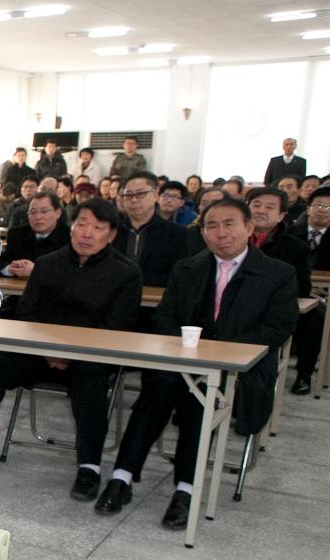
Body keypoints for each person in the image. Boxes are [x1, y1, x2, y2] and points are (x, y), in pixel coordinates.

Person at [93, 198, 299, 528]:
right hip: (183, 361)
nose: (220, 233)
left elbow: (279, 326)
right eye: (212, 226)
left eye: (229, 224)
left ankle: (185, 489)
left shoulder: (277, 273)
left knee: (198, 402)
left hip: (238, 369)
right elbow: (164, 316)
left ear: (248, 227)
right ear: (202, 234)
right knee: (155, 390)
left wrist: (220, 353)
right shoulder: (187, 268)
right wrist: (184, 346)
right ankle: (122, 477)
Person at [0, 200, 141, 501]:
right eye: (81, 224)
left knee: (92, 383)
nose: (87, 233)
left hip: (89, 357)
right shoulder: (50, 263)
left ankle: (89, 467)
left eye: (98, 228)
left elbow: (117, 328)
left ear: (112, 235)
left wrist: (69, 354)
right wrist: (46, 351)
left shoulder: (125, 273)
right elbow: (26, 315)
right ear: (72, 226)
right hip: (39, 353)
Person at [247, 187, 317, 395]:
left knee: (315, 316)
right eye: (256, 205)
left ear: (281, 215)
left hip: (271, 309)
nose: (260, 211)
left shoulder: (295, 247)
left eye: (269, 207)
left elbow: (303, 287)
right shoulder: (229, 240)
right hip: (234, 307)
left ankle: (303, 374)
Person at [116, 171, 197, 284]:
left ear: (156, 195)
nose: (133, 200)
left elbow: (179, 275)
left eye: (140, 194)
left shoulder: (178, 234)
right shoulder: (112, 230)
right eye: (128, 195)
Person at [0, 191, 70, 280]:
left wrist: (36, 270)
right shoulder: (16, 234)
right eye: (33, 212)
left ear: (58, 213)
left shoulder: (69, 236)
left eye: (44, 211)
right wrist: (10, 269)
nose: (38, 217)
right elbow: (1, 263)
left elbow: (69, 270)